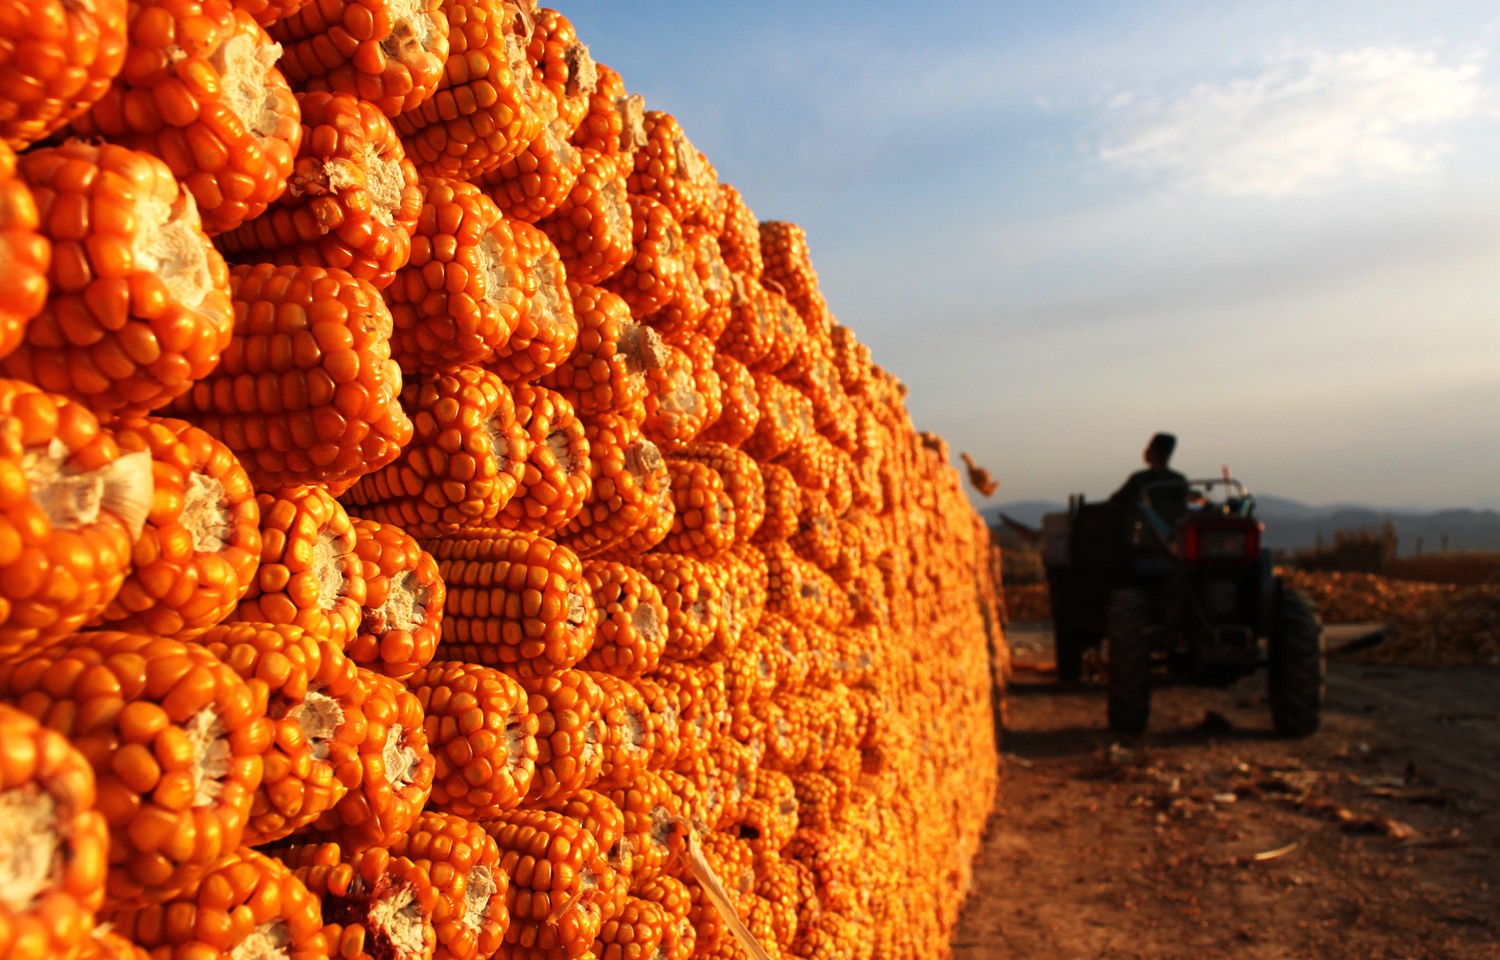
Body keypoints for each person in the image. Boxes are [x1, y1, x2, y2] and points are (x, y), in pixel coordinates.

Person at [1110, 432, 1188, 515]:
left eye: (1150, 448)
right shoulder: (1178, 479)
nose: (1145, 452)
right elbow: (1117, 500)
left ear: (1158, 452)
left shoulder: (1139, 478)